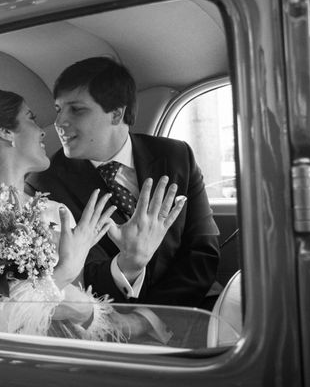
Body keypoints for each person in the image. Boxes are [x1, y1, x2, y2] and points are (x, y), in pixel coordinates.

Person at [0, 89, 178, 341]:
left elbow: (77, 309)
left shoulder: (55, 211)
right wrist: (62, 274)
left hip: (67, 347)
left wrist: (129, 261)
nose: (43, 131)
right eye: (30, 118)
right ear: (4, 132)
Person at [26, 57, 220, 307]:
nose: (60, 122)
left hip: (192, 307)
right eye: (58, 109)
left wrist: (153, 318)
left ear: (116, 114)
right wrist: (129, 265)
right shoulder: (44, 185)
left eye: (76, 109)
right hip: (114, 319)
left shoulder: (177, 156)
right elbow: (80, 278)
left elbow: (203, 249)